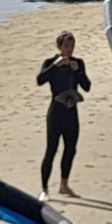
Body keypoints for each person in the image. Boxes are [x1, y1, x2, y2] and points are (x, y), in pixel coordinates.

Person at [37, 31, 91, 202]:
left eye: (72, 45)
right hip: (55, 111)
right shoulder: (51, 62)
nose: (70, 49)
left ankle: (64, 184)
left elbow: (87, 86)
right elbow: (40, 80)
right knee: (51, 150)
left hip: (71, 110)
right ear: (59, 47)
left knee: (70, 149)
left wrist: (79, 73)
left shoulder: (78, 63)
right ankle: (44, 189)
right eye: (67, 45)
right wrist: (55, 65)